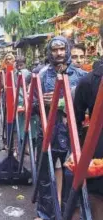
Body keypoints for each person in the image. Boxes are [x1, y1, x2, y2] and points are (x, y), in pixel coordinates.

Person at [34, 36, 87, 220]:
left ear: (67, 50)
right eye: (55, 50)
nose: (59, 53)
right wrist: (44, 103)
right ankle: (46, 214)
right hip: (48, 132)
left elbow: (86, 106)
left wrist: (64, 103)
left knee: (71, 176)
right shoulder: (40, 76)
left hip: (72, 134)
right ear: (50, 52)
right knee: (45, 176)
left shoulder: (81, 76)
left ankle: (68, 214)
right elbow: (32, 105)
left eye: (62, 49)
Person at [70, 24, 103, 219]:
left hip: (97, 153)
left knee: (97, 200)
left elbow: (76, 121)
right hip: (97, 155)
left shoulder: (87, 81)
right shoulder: (87, 81)